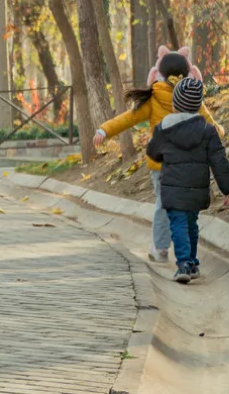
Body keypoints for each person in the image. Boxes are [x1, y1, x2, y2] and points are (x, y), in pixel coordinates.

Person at [92, 46, 222, 263]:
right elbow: (212, 126)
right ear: (187, 72)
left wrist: (104, 129)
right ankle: (184, 255)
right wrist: (220, 133)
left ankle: (161, 248)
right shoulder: (191, 97)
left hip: (159, 163)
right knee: (185, 210)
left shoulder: (153, 98)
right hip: (186, 164)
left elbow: (127, 118)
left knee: (164, 202)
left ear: (158, 73)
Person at [146, 78, 229, 283]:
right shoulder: (207, 130)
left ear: (175, 103)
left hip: (172, 188)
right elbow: (219, 161)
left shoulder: (164, 128)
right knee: (191, 224)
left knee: (178, 224)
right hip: (197, 190)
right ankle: (193, 263)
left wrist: (165, 157)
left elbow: (153, 153)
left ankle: (184, 264)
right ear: (198, 105)